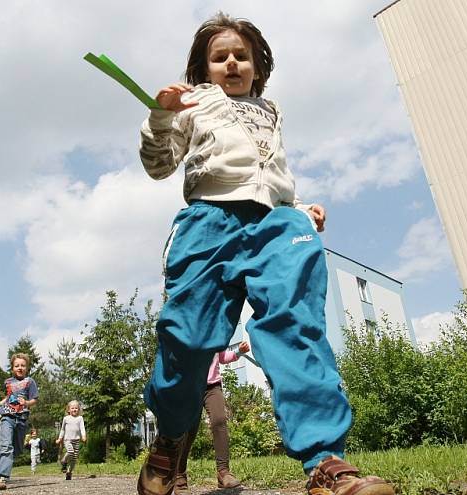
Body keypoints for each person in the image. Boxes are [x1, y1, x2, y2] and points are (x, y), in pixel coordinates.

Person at [136, 12, 396, 495]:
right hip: (208, 222)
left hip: (276, 225)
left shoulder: (269, 110)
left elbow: (268, 172)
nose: (231, 63)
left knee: (296, 328)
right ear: (204, 68)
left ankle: (325, 462)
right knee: (187, 341)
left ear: (256, 66)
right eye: (219, 58)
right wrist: (161, 114)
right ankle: (171, 438)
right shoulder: (193, 105)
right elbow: (159, 166)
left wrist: (296, 208)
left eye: (241, 56)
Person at [175, 341, 250, 490]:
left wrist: (239, 352)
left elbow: (222, 357)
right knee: (190, 431)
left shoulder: (216, 330)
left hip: (212, 386)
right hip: (190, 387)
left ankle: (223, 472)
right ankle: (179, 475)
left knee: (219, 420)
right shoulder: (187, 328)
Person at [0, 353, 39, 490]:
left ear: (27, 368)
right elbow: (8, 398)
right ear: (12, 368)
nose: (20, 368)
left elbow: (35, 399)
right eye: (17, 365)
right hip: (7, 416)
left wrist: (27, 402)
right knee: (5, 446)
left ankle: (0, 466)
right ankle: (1, 478)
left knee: (16, 449)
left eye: (23, 365)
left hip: (21, 418)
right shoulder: (9, 382)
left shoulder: (30, 382)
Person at [56, 400, 86, 481]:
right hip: (67, 439)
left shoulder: (80, 418)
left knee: (74, 459)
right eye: (72, 408)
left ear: (79, 409)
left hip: (76, 440)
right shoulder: (66, 418)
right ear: (69, 410)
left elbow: (82, 428)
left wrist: (83, 436)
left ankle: (69, 473)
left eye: (76, 408)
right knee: (70, 451)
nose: (74, 409)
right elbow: (62, 430)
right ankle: (63, 461)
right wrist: (59, 438)